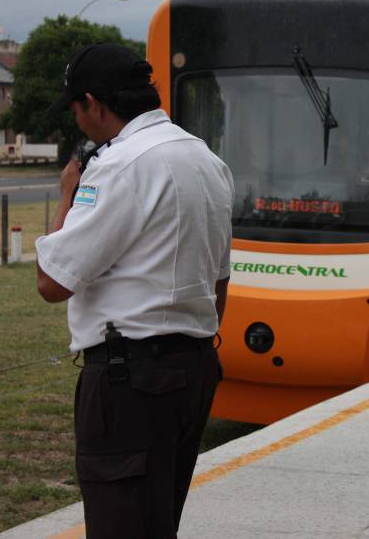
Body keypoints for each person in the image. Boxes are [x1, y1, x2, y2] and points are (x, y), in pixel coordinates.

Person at [35, 43, 234, 538]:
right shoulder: (204, 157)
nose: (78, 122)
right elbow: (220, 279)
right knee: (157, 522)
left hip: (131, 381)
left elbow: (53, 281)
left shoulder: (120, 165)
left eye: (76, 110)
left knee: (120, 526)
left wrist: (66, 195)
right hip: (193, 366)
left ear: (93, 103)